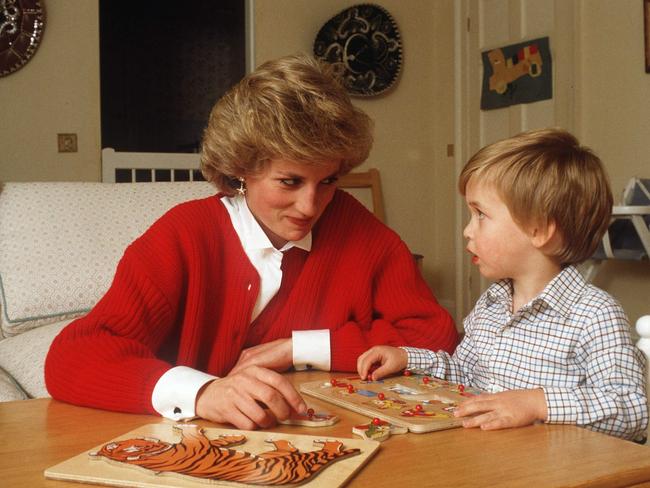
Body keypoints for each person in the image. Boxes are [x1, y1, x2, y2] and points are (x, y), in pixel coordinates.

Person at [45, 53, 458, 430]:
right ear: (242, 169)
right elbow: (72, 358)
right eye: (290, 181)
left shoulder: (353, 226)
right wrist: (204, 393)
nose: (310, 204)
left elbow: (435, 337)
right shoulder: (184, 235)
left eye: (328, 180)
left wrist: (298, 348)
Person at [357, 128, 648, 440]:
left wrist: (538, 403)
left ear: (539, 229)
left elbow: (631, 409)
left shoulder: (594, 314)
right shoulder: (491, 304)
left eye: (481, 215)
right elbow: (464, 375)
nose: (468, 231)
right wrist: (407, 357)